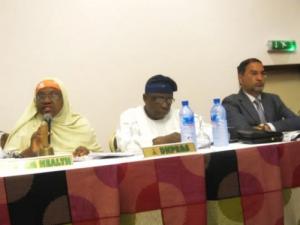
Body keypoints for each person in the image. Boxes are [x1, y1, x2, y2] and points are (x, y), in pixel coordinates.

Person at [3, 78, 101, 157]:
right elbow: (6, 162)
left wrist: (88, 154)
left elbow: (99, 157)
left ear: (64, 100)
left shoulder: (80, 125)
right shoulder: (26, 128)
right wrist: (30, 152)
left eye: (54, 95)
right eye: (41, 96)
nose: (46, 100)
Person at [116, 74, 211, 154]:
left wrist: (184, 138)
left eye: (169, 99)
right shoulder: (130, 117)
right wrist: (158, 142)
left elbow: (207, 138)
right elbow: (127, 148)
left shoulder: (182, 115)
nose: (165, 104)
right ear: (145, 98)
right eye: (159, 99)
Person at [222, 58, 300, 132]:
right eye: (254, 73)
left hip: (276, 145)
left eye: (262, 73)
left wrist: (270, 126)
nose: (260, 78)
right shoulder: (231, 102)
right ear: (241, 78)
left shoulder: (273, 99)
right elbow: (243, 130)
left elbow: (297, 121)